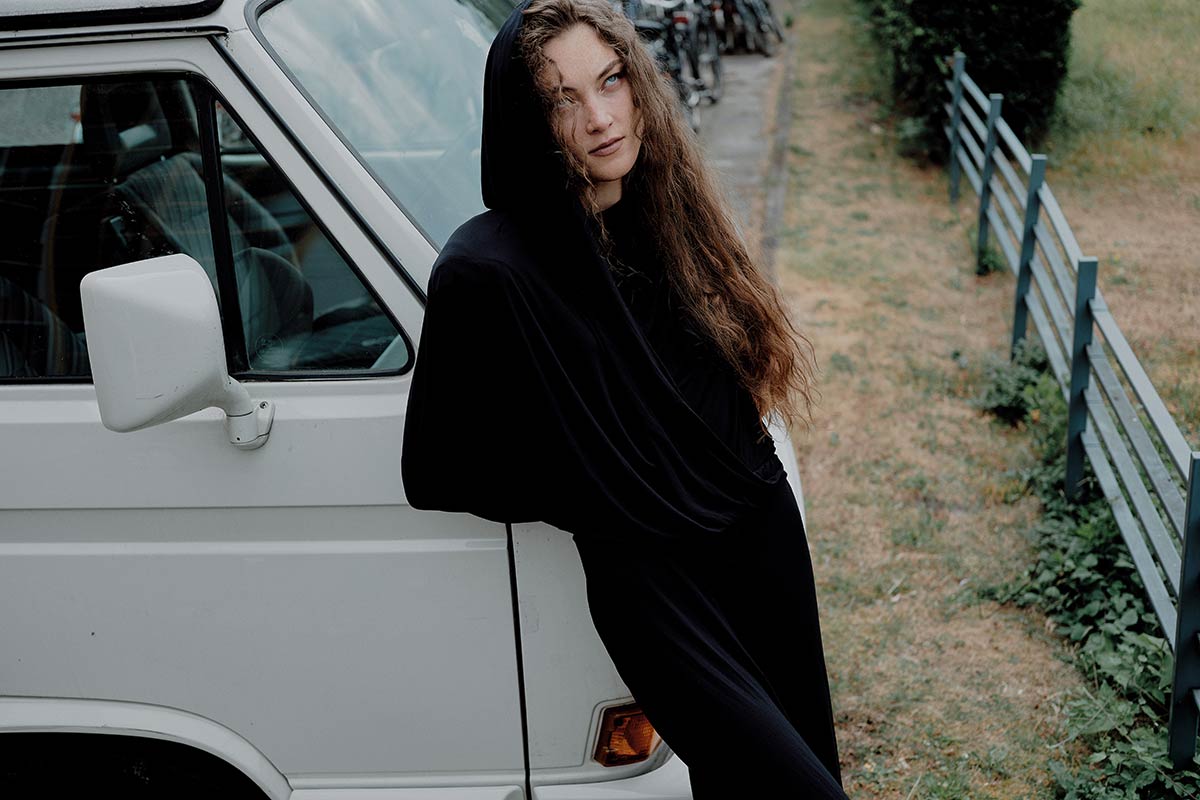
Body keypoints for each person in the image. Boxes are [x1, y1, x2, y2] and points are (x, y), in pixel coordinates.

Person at [401, 0, 848, 796]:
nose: (601, 118)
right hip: (655, 586)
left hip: (759, 533)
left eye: (610, 81)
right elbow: (436, 471)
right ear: (526, 119)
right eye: (562, 99)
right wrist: (597, 486)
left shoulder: (658, 210)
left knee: (798, 765)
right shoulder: (485, 270)